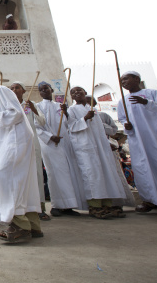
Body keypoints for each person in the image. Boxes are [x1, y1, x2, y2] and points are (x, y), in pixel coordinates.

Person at [0, 65, 42, 243]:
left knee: (5, 175)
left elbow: (16, 114)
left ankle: (20, 225)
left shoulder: (2, 90)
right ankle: (32, 224)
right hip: (15, 140)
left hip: (16, 140)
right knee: (21, 179)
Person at [118, 71, 157, 218]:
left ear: (136, 79)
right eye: (121, 80)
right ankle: (150, 200)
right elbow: (123, 119)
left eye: (126, 79)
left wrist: (147, 103)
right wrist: (127, 126)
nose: (124, 82)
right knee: (143, 169)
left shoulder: (152, 94)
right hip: (139, 141)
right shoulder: (123, 101)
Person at [67, 86, 127, 219]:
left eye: (79, 91)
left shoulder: (93, 109)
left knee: (106, 174)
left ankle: (107, 204)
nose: (76, 93)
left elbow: (101, 131)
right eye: (73, 92)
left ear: (85, 93)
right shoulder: (72, 110)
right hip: (85, 149)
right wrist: (85, 119)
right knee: (92, 176)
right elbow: (71, 126)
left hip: (100, 148)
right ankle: (95, 206)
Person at [35, 82, 86, 217]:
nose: (44, 91)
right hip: (50, 144)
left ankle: (69, 205)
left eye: (46, 88)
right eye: (41, 89)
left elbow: (70, 124)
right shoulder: (38, 107)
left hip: (64, 143)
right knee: (55, 174)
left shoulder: (61, 106)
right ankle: (57, 205)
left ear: (51, 89)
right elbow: (37, 127)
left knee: (68, 173)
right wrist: (50, 137)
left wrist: (66, 114)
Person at [86, 95, 136, 213]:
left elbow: (112, 130)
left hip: (107, 148)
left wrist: (98, 123)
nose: (88, 105)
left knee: (113, 175)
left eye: (90, 102)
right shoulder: (80, 115)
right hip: (92, 150)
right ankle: (99, 205)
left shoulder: (103, 115)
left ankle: (116, 204)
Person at [10, 81, 49, 220]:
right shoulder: (9, 106)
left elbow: (42, 122)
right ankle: (25, 208)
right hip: (17, 145)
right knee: (21, 176)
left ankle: (41, 207)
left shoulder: (31, 104)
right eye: (12, 88)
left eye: (17, 88)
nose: (14, 90)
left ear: (23, 90)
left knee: (37, 174)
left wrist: (34, 109)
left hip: (32, 144)